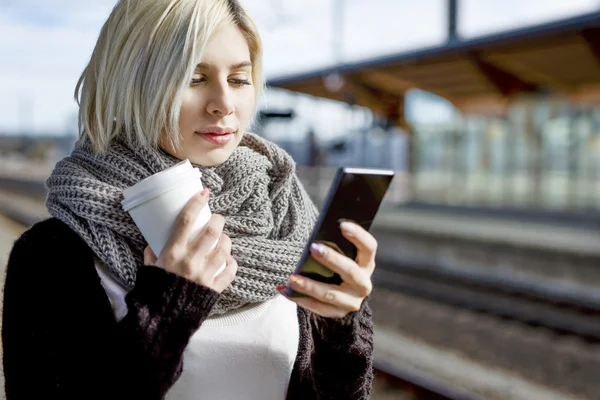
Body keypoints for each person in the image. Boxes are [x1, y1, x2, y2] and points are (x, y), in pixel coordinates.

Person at [2, 0, 376, 399]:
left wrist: (342, 328)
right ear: (130, 84)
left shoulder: (293, 226)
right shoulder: (51, 255)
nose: (224, 104)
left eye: (238, 79)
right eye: (195, 79)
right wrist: (166, 310)